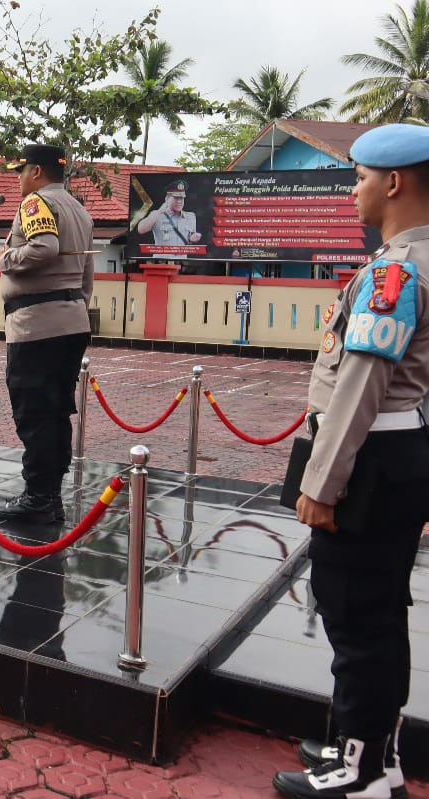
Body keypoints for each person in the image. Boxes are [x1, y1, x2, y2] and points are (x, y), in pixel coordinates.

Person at [271, 123, 429, 799]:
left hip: (369, 460)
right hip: (402, 456)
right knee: (380, 610)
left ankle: (360, 772)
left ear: (394, 183)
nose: (354, 189)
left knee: (357, 615)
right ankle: (366, 745)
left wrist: (321, 482)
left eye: (360, 176)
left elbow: (362, 383)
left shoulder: (396, 271)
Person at [0, 143, 94, 524]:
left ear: (35, 172)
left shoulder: (35, 204)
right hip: (71, 321)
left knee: (35, 414)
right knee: (56, 412)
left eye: (20, 171)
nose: (17, 179)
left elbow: (43, 249)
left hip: (37, 327)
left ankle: (38, 498)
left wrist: (2, 259)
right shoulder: (79, 208)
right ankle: (49, 495)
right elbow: (86, 274)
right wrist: (76, 308)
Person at [138, 179, 202, 246]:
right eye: (176, 198)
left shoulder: (190, 216)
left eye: (181, 198)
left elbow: (189, 237)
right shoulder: (157, 215)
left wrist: (192, 238)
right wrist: (159, 211)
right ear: (167, 199)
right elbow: (141, 230)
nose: (179, 201)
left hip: (182, 256)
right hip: (161, 256)